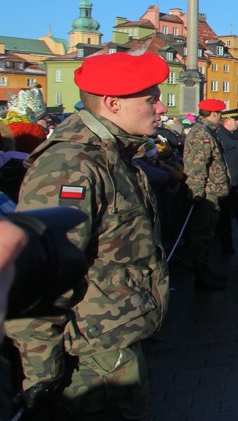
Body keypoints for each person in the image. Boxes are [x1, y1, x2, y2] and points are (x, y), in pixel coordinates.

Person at [7, 51, 170, 419]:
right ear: (113, 104)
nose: (161, 108)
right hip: (89, 358)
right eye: (151, 99)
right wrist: (41, 372)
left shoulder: (113, 154)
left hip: (112, 339)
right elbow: (38, 272)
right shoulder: (73, 165)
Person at [183, 98, 231, 291]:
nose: (220, 117)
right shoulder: (201, 134)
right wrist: (196, 194)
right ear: (213, 114)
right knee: (201, 235)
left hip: (211, 190)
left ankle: (205, 270)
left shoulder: (207, 132)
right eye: (219, 114)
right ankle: (201, 275)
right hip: (205, 193)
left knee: (207, 234)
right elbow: (197, 167)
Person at [215, 108, 238, 254]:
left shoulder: (236, 134)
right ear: (227, 121)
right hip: (228, 179)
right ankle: (227, 245)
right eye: (236, 120)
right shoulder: (220, 136)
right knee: (225, 216)